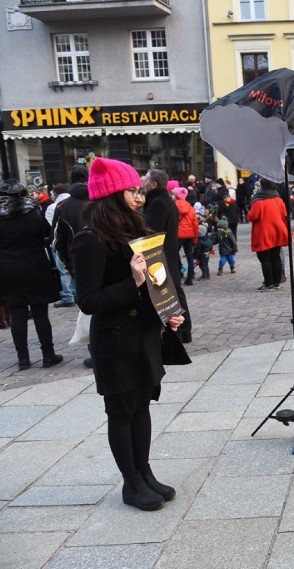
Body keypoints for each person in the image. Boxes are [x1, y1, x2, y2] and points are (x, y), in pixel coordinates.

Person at [71, 157, 184, 511]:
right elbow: (89, 301)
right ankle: (130, 483)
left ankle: (145, 473)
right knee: (121, 411)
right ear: (112, 195)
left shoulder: (136, 230)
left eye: (138, 189)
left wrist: (168, 313)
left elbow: (156, 285)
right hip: (116, 340)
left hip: (144, 334)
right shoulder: (90, 239)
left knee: (142, 406)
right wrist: (132, 281)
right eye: (131, 190)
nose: (138, 196)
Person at [0, 179, 64, 371]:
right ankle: (48, 355)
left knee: (18, 312)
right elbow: (47, 234)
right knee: (40, 312)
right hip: (35, 265)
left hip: (8, 270)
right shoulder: (33, 212)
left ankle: (23, 359)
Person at [142, 169, 192, 343]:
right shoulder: (164, 200)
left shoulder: (158, 203)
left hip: (161, 255)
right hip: (168, 253)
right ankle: (184, 330)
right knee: (175, 291)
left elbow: (152, 233)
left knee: (169, 293)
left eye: (146, 180)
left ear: (154, 184)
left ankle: (179, 331)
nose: (143, 183)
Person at [247, 178, 289, 291]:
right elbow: (284, 214)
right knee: (275, 257)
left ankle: (268, 283)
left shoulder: (258, 200)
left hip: (263, 232)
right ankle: (276, 282)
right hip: (277, 231)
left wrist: (248, 211)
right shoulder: (278, 199)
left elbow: (252, 216)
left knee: (265, 259)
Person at [172, 187, 198, 286]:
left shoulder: (173, 206)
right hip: (189, 234)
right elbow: (195, 224)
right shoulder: (190, 207)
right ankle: (190, 278)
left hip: (178, 234)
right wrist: (195, 238)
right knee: (189, 256)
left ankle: (178, 274)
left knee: (174, 254)